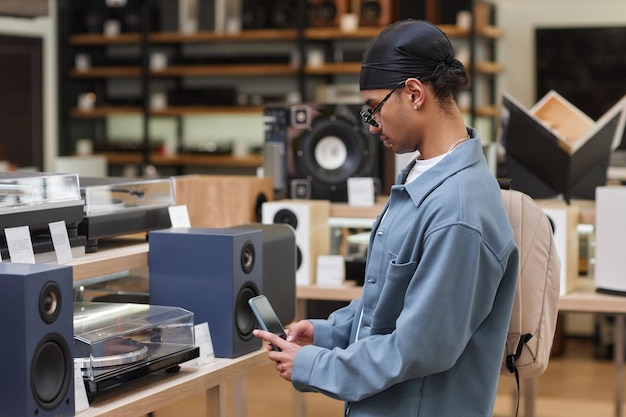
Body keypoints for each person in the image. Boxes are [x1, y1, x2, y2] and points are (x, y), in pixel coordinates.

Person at [253, 19, 519, 417]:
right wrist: (327, 333)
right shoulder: (421, 174)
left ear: (414, 93)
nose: (372, 125)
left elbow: (416, 348)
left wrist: (312, 365)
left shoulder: (459, 212)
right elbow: (388, 304)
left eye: (374, 108)